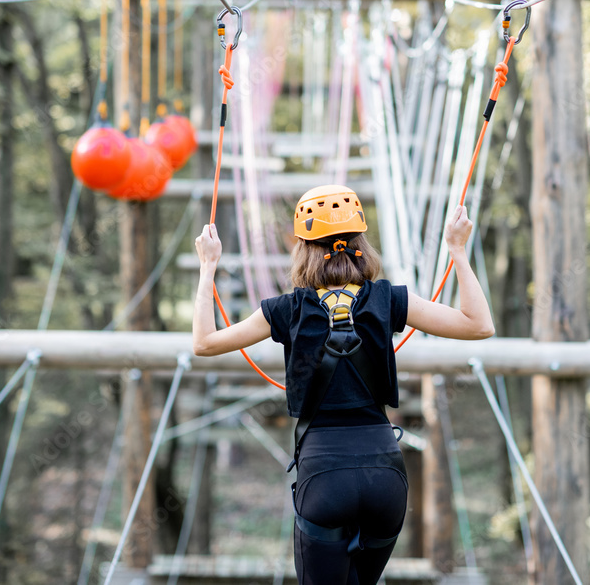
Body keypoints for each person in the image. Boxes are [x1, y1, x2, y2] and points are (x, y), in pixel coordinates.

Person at [193, 185, 494, 585]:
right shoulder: (389, 300)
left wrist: (207, 266)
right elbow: (479, 325)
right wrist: (457, 250)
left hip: (324, 479)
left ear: (302, 247)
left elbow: (204, 343)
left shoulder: (286, 309)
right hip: (385, 478)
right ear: (361, 243)